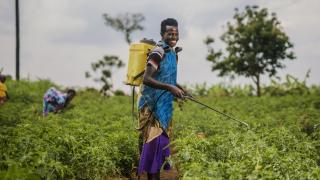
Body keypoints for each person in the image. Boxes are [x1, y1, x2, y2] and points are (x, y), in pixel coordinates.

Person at [137, 18, 185, 180]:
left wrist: (181, 89)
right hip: (151, 107)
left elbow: (168, 78)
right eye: (170, 33)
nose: (173, 36)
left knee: (160, 149)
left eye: (176, 33)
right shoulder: (158, 52)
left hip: (164, 109)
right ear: (162, 34)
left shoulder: (173, 53)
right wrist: (171, 88)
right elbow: (147, 78)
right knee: (154, 150)